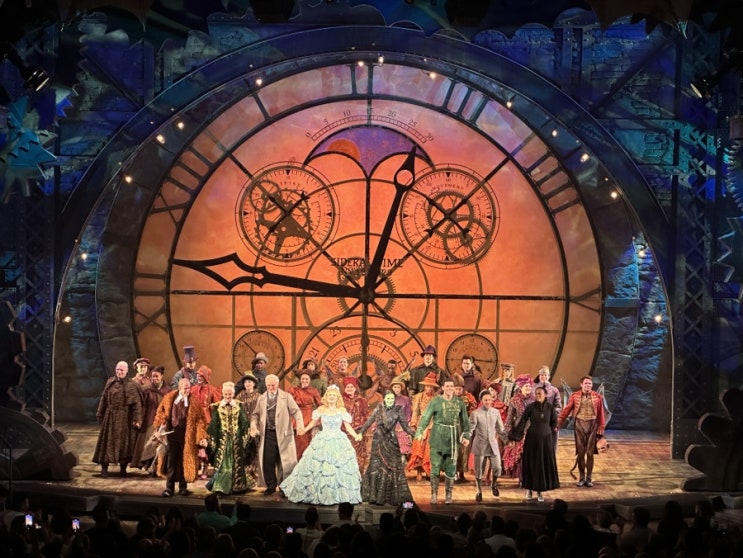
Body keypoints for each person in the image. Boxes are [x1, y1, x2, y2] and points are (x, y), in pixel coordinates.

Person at [279, 384, 363, 505]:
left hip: (338, 440)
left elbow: (347, 426)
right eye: (330, 395)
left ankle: (338, 494)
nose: (332, 397)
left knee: (338, 467)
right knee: (318, 466)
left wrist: (355, 435)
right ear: (326, 397)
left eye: (334, 395)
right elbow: (313, 423)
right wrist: (304, 430)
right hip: (323, 438)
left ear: (337, 397)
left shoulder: (341, 410)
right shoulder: (321, 410)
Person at [414, 377, 470, 504]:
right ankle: (434, 494)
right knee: (435, 467)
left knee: (451, 468)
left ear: (454, 388)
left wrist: (466, 436)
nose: (449, 388)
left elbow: (465, 422)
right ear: (443, 388)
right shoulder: (435, 401)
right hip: (437, 438)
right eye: (447, 386)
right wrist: (420, 430)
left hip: (452, 439)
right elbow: (426, 417)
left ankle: (448, 495)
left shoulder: (459, 403)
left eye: (451, 386)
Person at [249, 373, 305, 496]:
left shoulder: (286, 397)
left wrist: (300, 425)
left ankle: (284, 487)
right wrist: (253, 426)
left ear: (277, 384)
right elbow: (255, 415)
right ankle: (271, 485)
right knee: (268, 461)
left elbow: (296, 411)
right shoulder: (262, 398)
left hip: (283, 434)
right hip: (268, 433)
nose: (271, 388)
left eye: (273, 385)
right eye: (269, 385)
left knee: (284, 462)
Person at [358, 390, 416, 506]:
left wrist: (415, 434)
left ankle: (390, 496)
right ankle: (374, 496)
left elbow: (405, 426)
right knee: (376, 467)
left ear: (394, 399)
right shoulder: (379, 409)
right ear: (384, 399)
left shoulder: (398, 410)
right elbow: (369, 422)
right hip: (378, 441)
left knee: (392, 467)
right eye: (388, 398)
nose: (390, 400)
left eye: (392, 399)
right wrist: (361, 432)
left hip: (391, 441)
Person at [153, 377, 208, 497]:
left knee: (184, 461)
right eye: (185, 388)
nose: (187, 390)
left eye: (189, 388)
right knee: (171, 461)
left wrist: (201, 436)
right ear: (179, 388)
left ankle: (183, 488)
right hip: (171, 434)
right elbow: (160, 411)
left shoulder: (194, 401)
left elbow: (200, 419)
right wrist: (161, 423)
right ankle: (169, 488)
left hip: (186, 435)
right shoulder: (169, 398)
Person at [92, 360, 143, 478]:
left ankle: (123, 469)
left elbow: (137, 404)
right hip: (110, 417)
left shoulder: (132, 385)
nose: (119, 372)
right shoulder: (110, 382)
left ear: (126, 371)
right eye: (117, 370)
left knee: (124, 444)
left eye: (121, 370)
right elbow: (104, 398)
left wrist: (137, 419)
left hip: (125, 418)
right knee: (107, 443)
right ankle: (104, 468)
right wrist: (100, 413)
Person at [508, 386, 560, 502]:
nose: (537, 395)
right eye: (536, 393)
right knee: (532, 464)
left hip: (545, 441)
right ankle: (529, 490)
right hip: (532, 440)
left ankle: (540, 491)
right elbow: (522, 421)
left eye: (539, 393)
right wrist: (514, 435)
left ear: (545, 394)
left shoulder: (550, 408)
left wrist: (548, 432)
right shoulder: (530, 407)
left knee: (542, 465)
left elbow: (554, 422)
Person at [206, 381, 256, 495]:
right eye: (226, 394)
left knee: (236, 462)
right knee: (222, 462)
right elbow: (214, 423)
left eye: (230, 394)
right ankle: (220, 486)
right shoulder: (217, 406)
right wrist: (211, 437)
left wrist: (248, 431)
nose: (228, 396)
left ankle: (237, 485)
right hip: (222, 439)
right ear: (223, 394)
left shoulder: (238, 405)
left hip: (236, 439)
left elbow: (243, 421)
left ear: (233, 394)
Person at [557, 375, 605, 487]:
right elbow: (567, 409)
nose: (588, 385)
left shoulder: (597, 397)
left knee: (590, 453)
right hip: (579, 426)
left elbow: (601, 413)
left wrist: (601, 426)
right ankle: (582, 478)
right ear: (581, 384)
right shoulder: (575, 396)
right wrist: (559, 421)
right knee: (581, 453)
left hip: (592, 425)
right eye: (586, 383)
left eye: (590, 383)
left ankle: (589, 478)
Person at [131, 365, 171, 474]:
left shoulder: (167, 390)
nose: (154, 378)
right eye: (153, 376)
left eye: (157, 376)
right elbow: (141, 404)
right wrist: (139, 418)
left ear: (161, 376)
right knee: (149, 444)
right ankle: (148, 466)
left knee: (160, 444)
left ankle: (158, 467)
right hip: (149, 419)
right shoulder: (147, 389)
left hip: (162, 420)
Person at [467, 390, 507, 502]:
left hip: (493, 444)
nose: (488, 402)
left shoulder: (496, 412)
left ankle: (494, 484)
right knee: (479, 471)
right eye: (485, 400)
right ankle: (479, 491)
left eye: (489, 400)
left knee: (497, 467)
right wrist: (465, 437)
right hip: (480, 445)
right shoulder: (475, 413)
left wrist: (507, 440)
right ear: (481, 400)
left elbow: (500, 429)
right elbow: (470, 428)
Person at [405, 372, 439, 481]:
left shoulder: (437, 398)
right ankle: (419, 471)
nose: (428, 388)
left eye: (431, 387)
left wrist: (433, 425)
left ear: (433, 387)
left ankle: (429, 471)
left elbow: (438, 414)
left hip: (433, 425)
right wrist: (413, 425)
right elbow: (415, 412)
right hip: (421, 424)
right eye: (427, 386)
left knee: (430, 448)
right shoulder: (418, 397)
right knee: (418, 447)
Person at [191, 365, 222, 479]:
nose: (199, 378)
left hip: (206, 421)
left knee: (204, 444)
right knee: (195, 444)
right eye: (198, 376)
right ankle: (195, 467)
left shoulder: (211, 390)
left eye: (201, 376)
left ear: (206, 378)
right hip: (195, 421)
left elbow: (217, 407)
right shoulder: (193, 389)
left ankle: (205, 466)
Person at [502, 374, 534, 481]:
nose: (528, 388)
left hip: (533, 430)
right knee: (521, 455)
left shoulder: (535, 399)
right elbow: (509, 418)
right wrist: (508, 434)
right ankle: (522, 478)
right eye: (526, 386)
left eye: (529, 386)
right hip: (519, 430)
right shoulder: (514, 400)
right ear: (521, 387)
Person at [289, 371, 322, 459]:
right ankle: (297, 462)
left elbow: (320, 405)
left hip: (308, 417)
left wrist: (318, 417)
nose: (304, 380)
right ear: (300, 380)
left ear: (310, 380)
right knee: (297, 441)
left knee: (306, 441)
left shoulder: (314, 391)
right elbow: (288, 404)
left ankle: (305, 461)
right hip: (297, 417)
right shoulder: (294, 390)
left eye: (307, 379)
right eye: (303, 379)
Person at [342, 376, 370, 473]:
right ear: (344, 388)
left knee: (359, 456)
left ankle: (359, 476)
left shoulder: (362, 400)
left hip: (359, 431)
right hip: (344, 432)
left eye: (351, 387)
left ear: (355, 388)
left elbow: (366, 415)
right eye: (347, 387)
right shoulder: (340, 400)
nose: (349, 389)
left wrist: (363, 429)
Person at [533, 365, 562, 453]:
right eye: (542, 375)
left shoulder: (554, 390)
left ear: (549, 376)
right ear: (539, 376)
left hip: (549, 420)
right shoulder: (533, 388)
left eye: (546, 375)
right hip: (535, 420)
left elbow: (558, 406)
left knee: (550, 444)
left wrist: (551, 415)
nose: (544, 377)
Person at [390, 376, 412, 461]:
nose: (396, 389)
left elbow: (408, 413)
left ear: (401, 388)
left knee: (403, 448)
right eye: (395, 387)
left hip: (402, 426)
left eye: (398, 387)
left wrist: (407, 423)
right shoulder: (389, 399)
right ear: (392, 388)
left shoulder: (406, 399)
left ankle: (402, 464)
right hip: (392, 425)